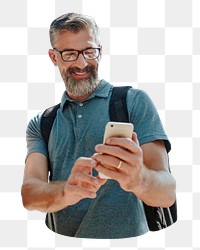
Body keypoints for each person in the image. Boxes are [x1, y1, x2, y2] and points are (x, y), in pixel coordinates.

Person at [21, 13, 176, 239]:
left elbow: (167, 193)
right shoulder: (42, 122)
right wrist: (66, 191)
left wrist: (138, 179)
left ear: (100, 52)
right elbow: (29, 194)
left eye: (89, 52)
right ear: (54, 57)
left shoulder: (134, 102)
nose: (82, 63)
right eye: (70, 54)